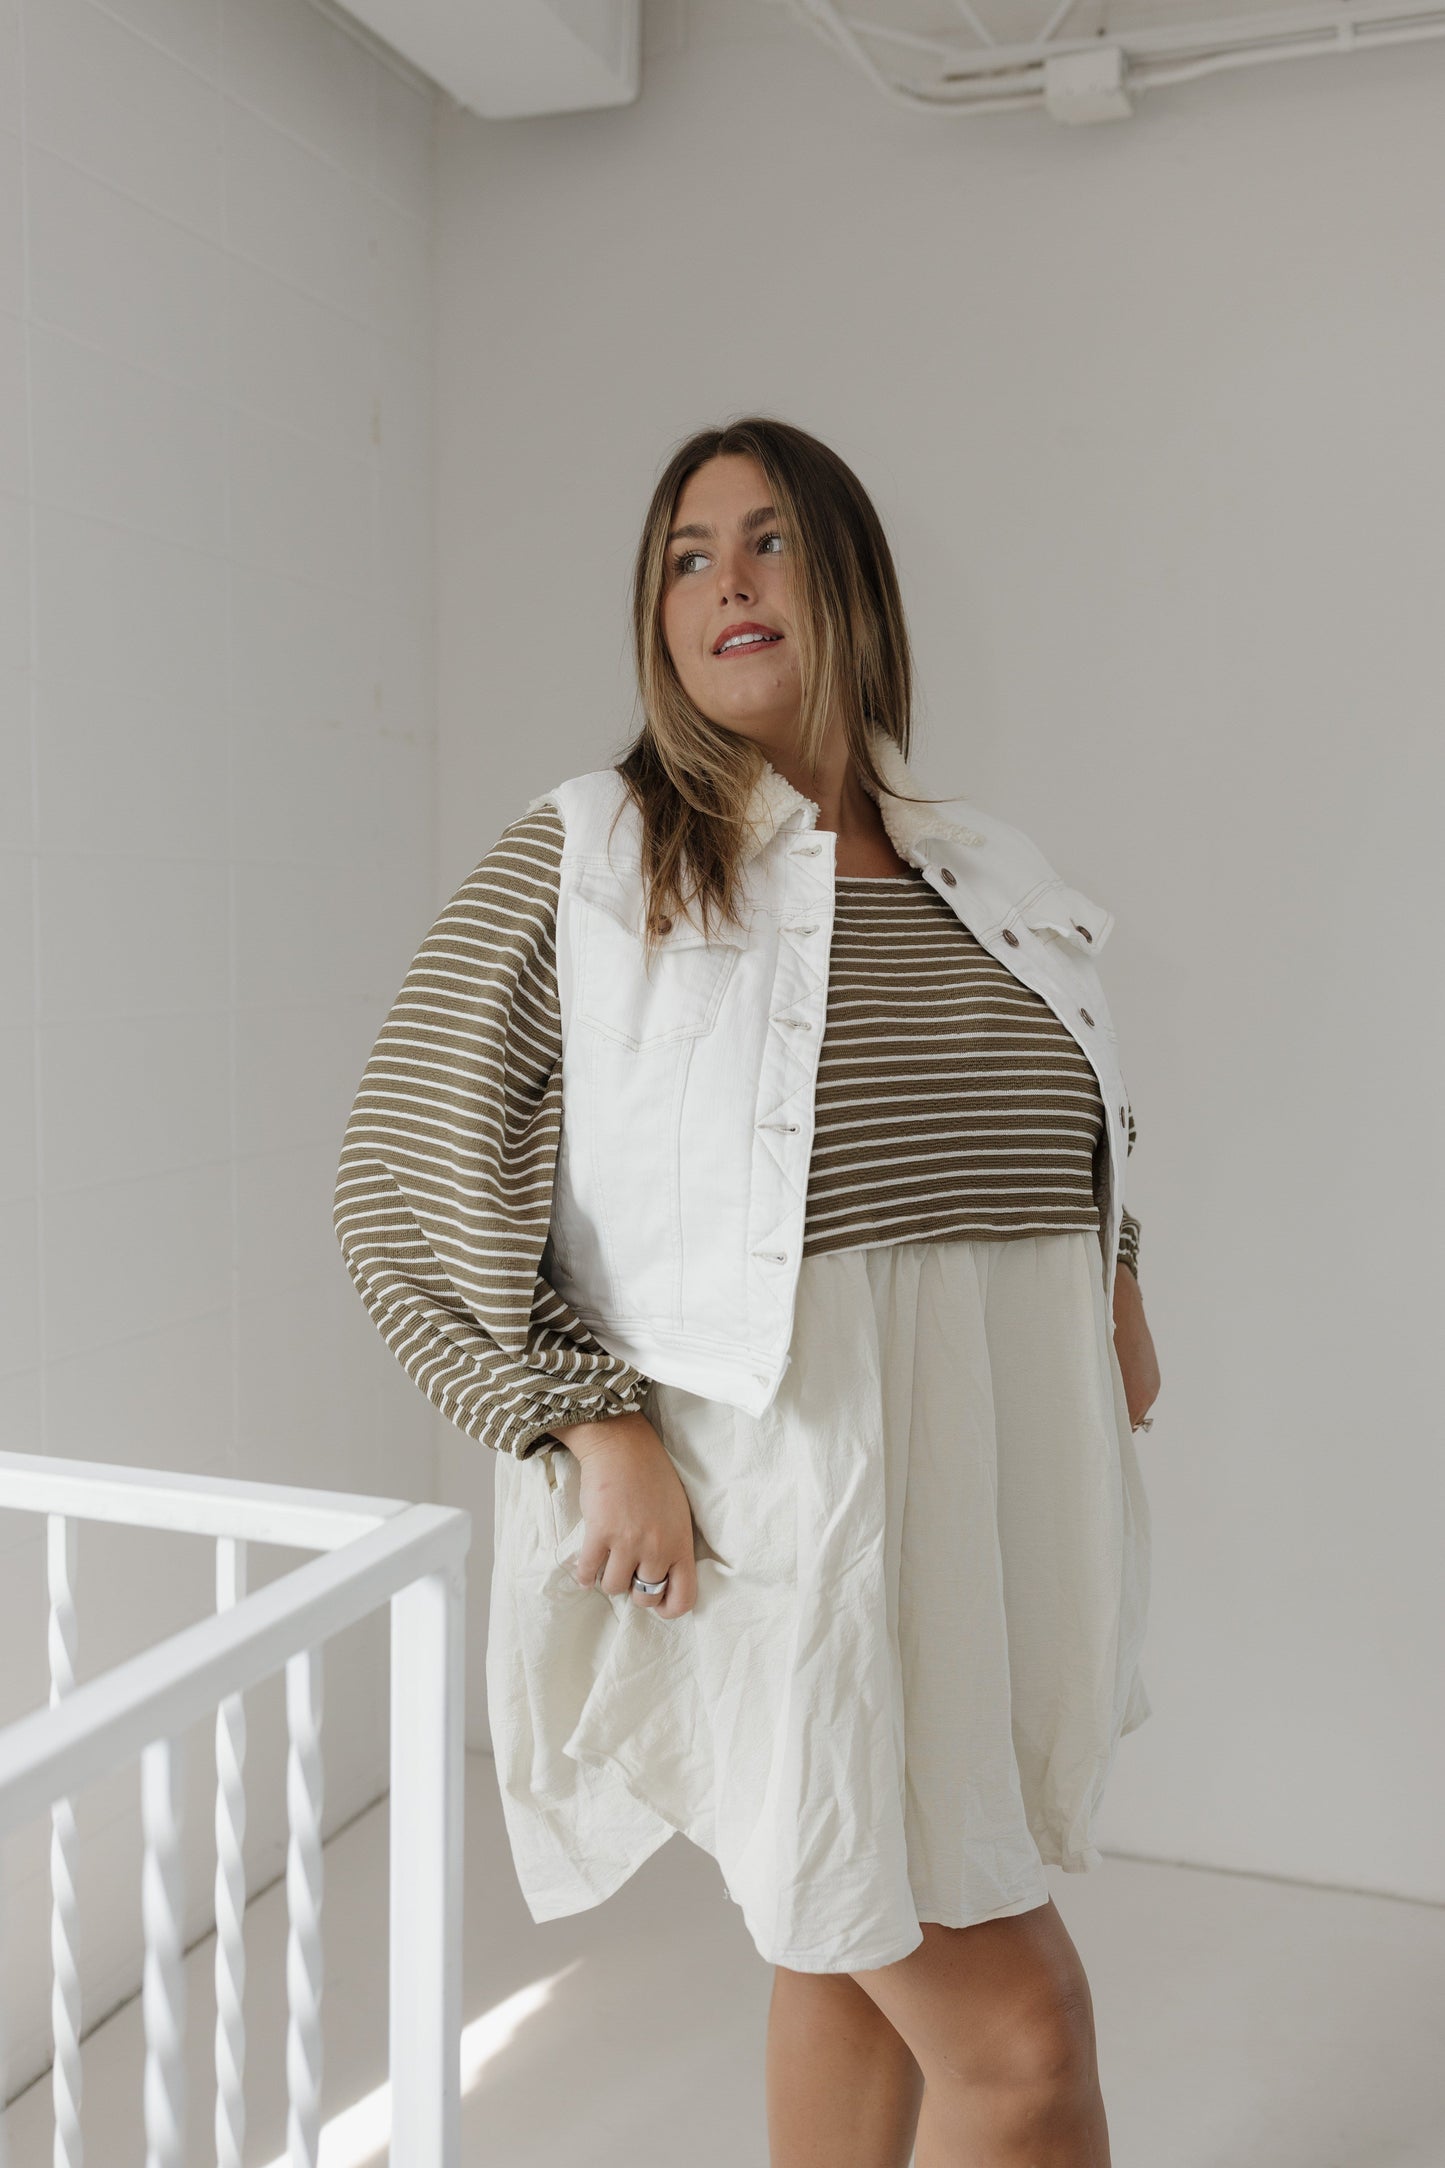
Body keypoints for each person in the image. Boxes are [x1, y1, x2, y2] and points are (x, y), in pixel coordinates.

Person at [333, 415, 1161, 2167]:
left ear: (849, 578)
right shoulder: (592, 853)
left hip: (971, 1491)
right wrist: (581, 1415)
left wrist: (1121, 1277)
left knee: (841, 1942)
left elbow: (1057, 1104)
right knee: (1021, 2040)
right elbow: (402, 1171)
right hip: (773, 1510)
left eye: (768, 541)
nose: (725, 583)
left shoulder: (981, 866)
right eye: (687, 556)